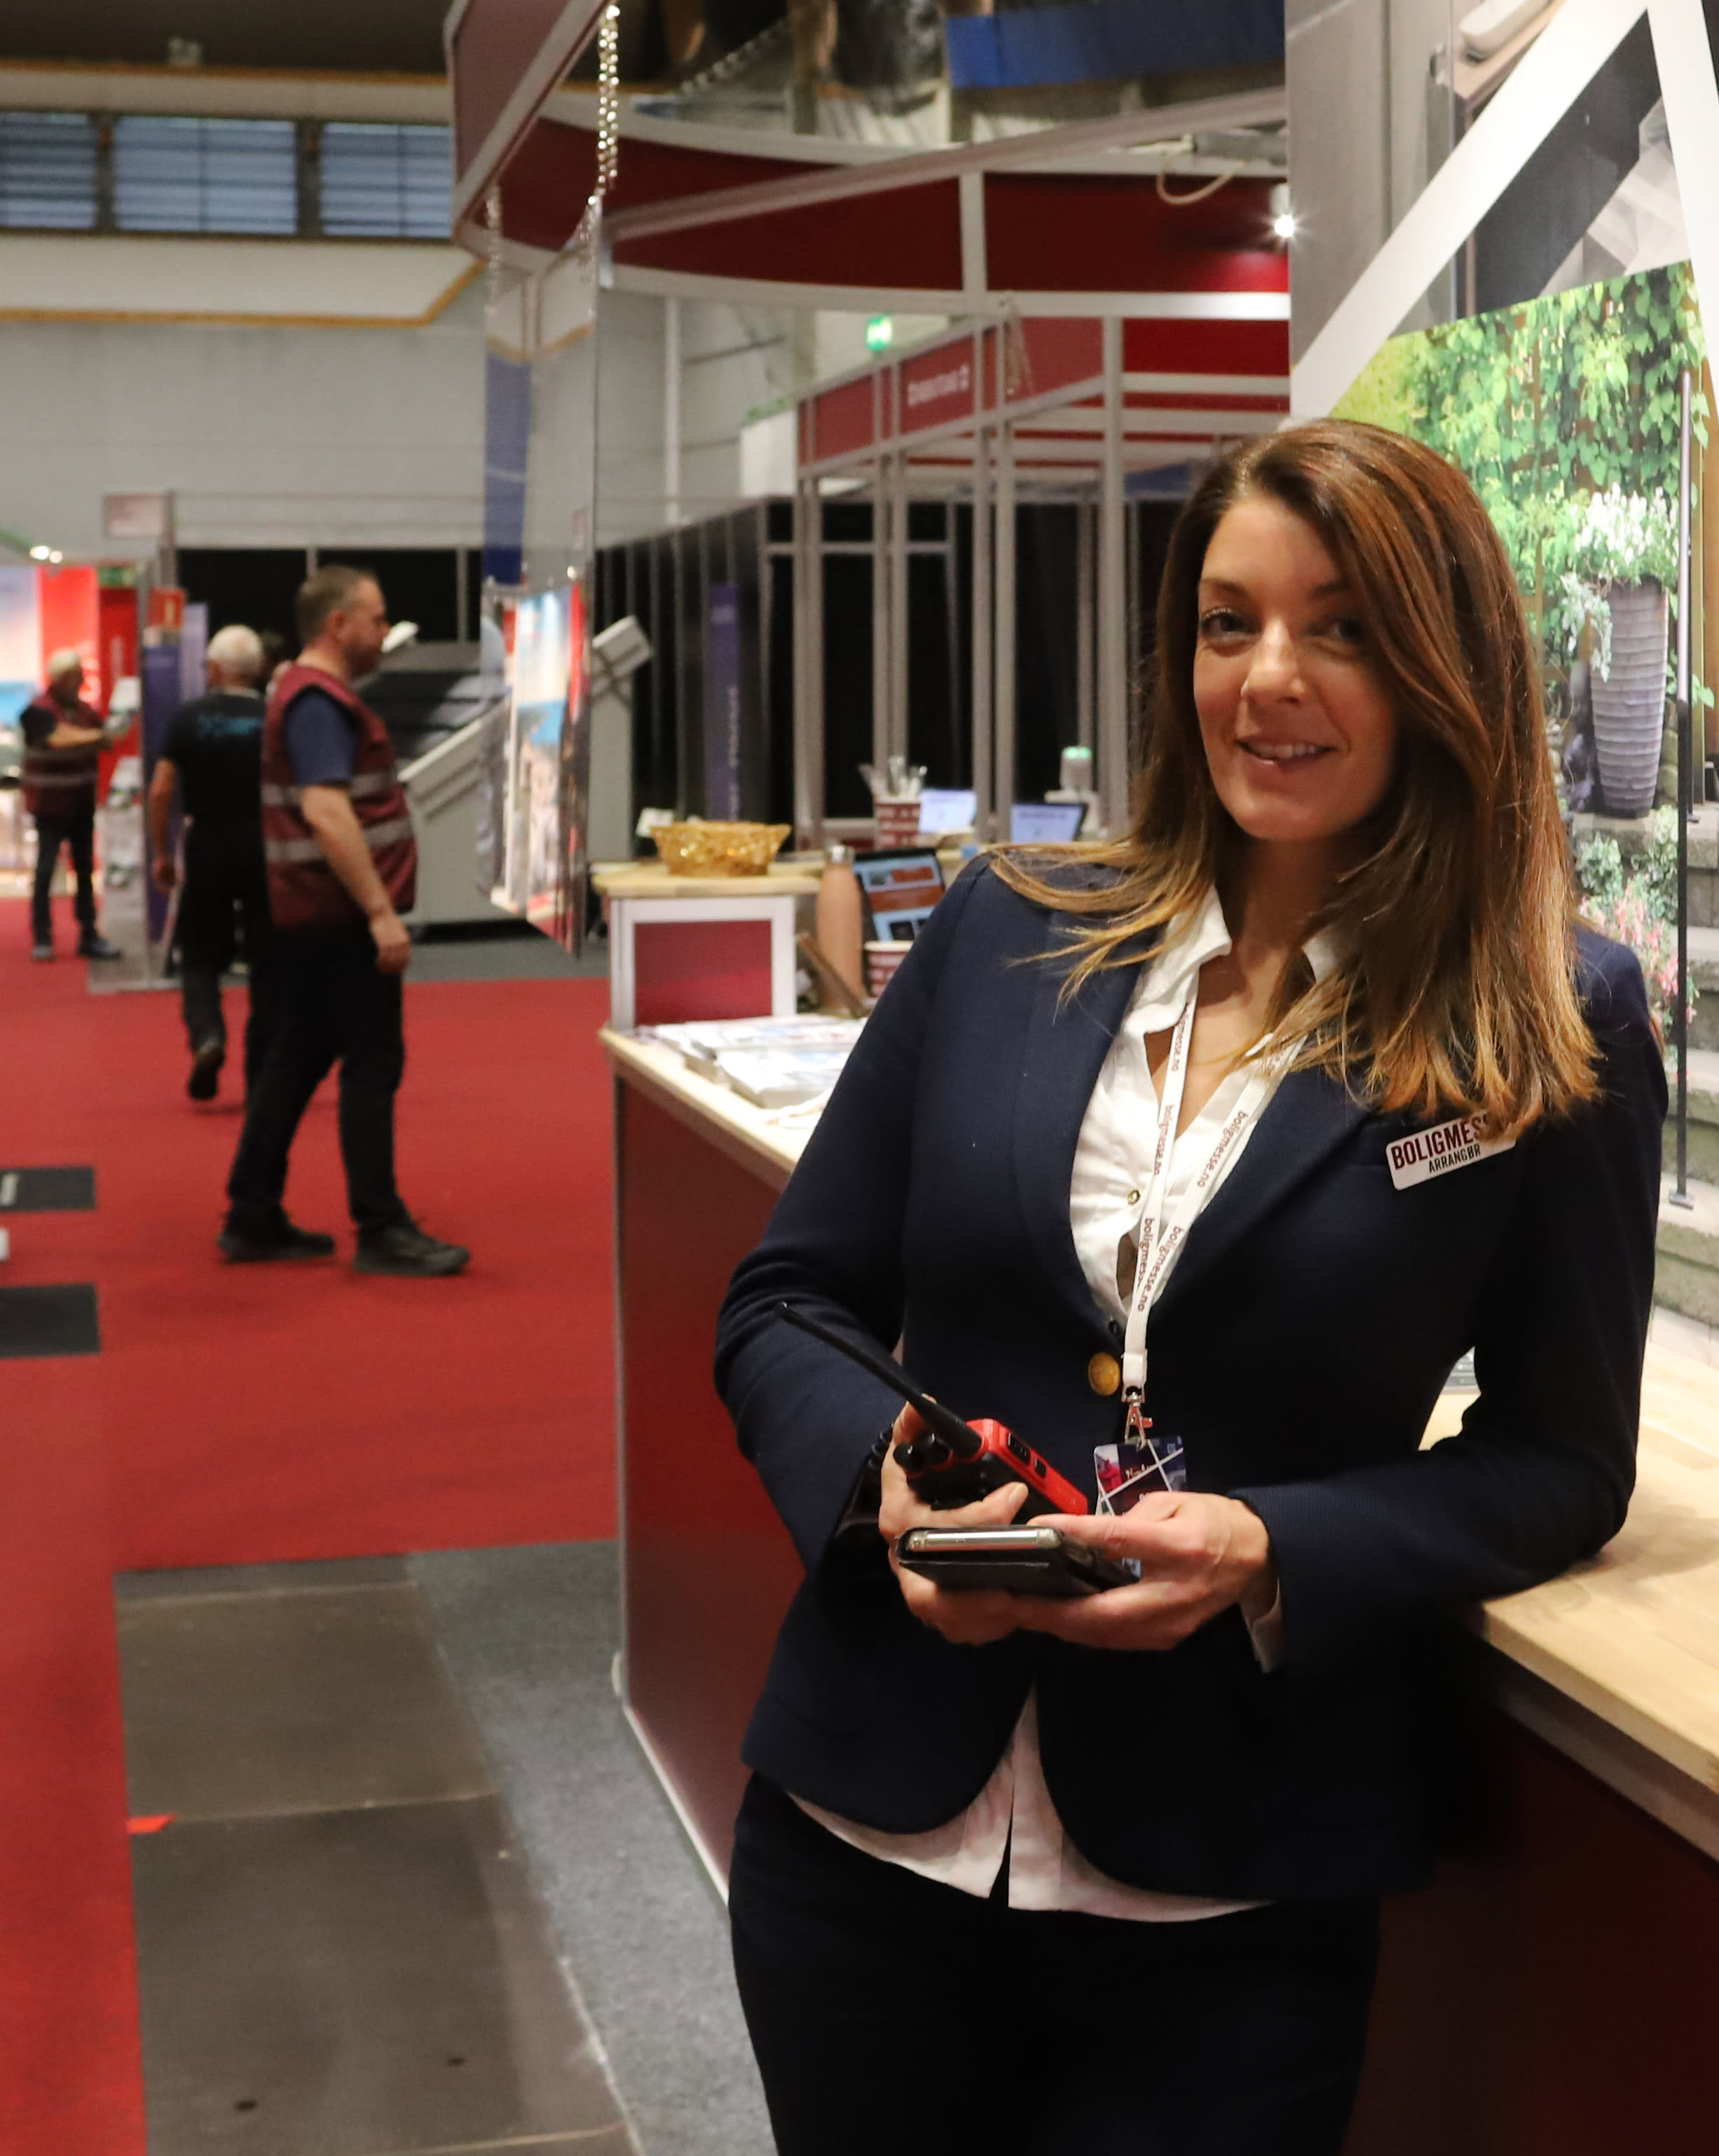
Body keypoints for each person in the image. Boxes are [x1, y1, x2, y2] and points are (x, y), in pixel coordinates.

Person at [708, 422, 1666, 2155]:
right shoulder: (1010, 924)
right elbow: (787, 1297)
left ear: (1444, 661)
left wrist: (1272, 1546)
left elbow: (1562, 1456)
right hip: (861, 1844)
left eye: (1341, 626)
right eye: (1229, 623)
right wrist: (885, 1490)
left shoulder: (1549, 1017)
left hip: (1228, 1897)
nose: (1268, 677)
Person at [221, 567, 468, 1277]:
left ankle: (252, 1212)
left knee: (297, 1058)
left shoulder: (305, 695)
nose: (385, 631)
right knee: (372, 1063)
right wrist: (380, 911)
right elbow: (327, 811)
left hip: (315, 915)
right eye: (376, 617)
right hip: (338, 917)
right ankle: (380, 1226)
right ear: (338, 624)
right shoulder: (319, 702)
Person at [148, 623, 270, 1101]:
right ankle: (263, 1066)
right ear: (259, 668)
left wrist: (162, 852)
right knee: (268, 957)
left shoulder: (189, 718)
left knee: (198, 954)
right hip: (264, 846)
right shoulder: (273, 717)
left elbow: (161, 790)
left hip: (208, 846)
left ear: (214, 669)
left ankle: (207, 1036)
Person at [18, 648, 120, 963]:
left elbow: (108, 740)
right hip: (49, 805)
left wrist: (98, 736)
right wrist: (95, 736)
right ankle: (42, 936)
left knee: (85, 871)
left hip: (81, 803)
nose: (82, 682)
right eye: (77, 676)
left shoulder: (86, 711)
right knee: (46, 869)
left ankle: (89, 934)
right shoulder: (36, 711)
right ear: (61, 678)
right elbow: (57, 738)